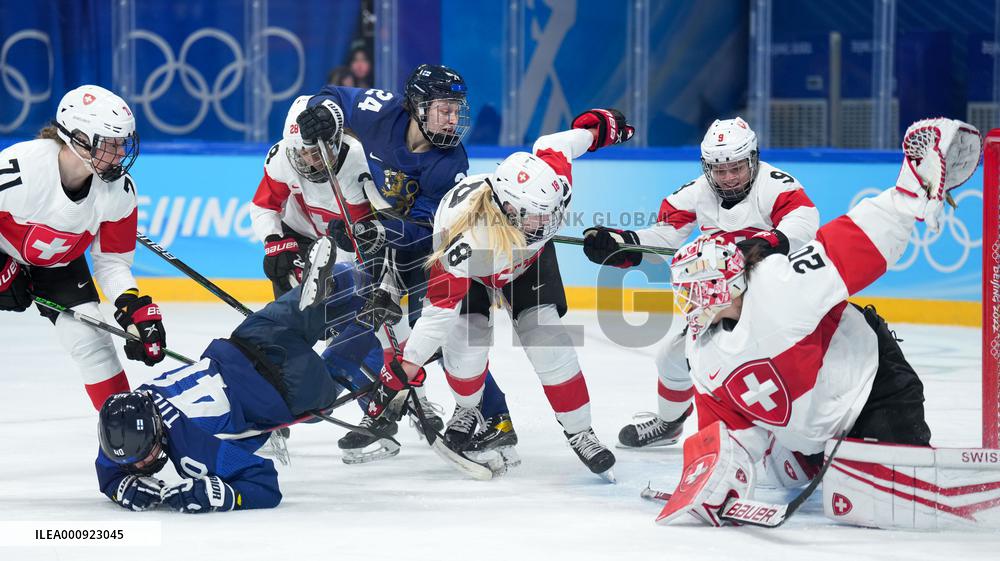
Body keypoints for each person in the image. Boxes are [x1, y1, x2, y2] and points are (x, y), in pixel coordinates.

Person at [653, 118, 982, 527]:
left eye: (693, 290)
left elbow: (855, 241)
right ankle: (811, 454)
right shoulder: (700, 351)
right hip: (807, 428)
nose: (686, 302)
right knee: (790, 474)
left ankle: (871, 454)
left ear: (722, 287)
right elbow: (723, 427)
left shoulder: (781, 284)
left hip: (870, 387)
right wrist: (712, 480)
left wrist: (910, 190)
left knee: (889, 507)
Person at [359, 108, 636, 480]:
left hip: (526, 263)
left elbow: (556, 143)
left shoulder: (548, 183)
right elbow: (439, 314)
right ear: (507, 209)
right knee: (466, 348)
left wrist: (602, 129)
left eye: (552, 213)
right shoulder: (463, 242)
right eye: (537, 216)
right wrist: (405, 368)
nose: (548, 223)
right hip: (475, 272)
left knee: (549, 344)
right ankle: (468, 409)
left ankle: (581, 432)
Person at [298, 64, 513, 461]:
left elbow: (427, 229)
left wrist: (376, 232)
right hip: (386, 240)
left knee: (439, 337)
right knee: (379, 326)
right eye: (444, 109)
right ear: (416, 106)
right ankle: (388, 411)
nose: (453, 119)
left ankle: (496, 417)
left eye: (456, 109)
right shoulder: (381, 111)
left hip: (431, 251)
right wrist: (324, 113)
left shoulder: (449, 163)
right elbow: (332, 94)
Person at [96, 241, 397, 513]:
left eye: (142, 459)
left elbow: (265, 484)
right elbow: (113, 448)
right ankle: (358, 275)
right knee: (307, 307)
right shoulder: (139, 398)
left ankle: (370, 321)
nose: (140, 466)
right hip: (250, 340)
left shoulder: (192, 452)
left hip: (288, 388)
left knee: (326, 395)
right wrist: (118, 482)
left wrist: (221, 494)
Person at [581, 117, 820, 449]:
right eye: (719, 170)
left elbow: (805, 219)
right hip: (722, 299)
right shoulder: (696, 192)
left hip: (776, 295)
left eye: (736, 167)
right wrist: (622, 242)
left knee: (778, 362)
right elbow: (663, 237)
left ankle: (802, 433)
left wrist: (768, 242)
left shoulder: (776, 183)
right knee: (671, 357)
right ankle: (669, 423)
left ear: (752, 158)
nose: (728, 177)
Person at [0, 84, 167, 410]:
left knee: (93, 343)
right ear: (78, 140)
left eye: (123, 143)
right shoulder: (21, 170)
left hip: (58, 266)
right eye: (111, 144)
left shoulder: (119, 192)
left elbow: (112, 262)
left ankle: (126, 432)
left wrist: (131, 306)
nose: (121, 154)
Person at [250, 95, 372, 299]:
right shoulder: (282, 158)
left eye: (316, 152)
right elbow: (264, 207)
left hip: (344, 241)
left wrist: (338, 274)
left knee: (345, 296)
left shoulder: (358, 161)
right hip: (301, 234)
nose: (308, 161)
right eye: (301, 153)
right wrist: (274, 241)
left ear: (334, 140)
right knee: (281, 266)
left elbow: (363, 235)